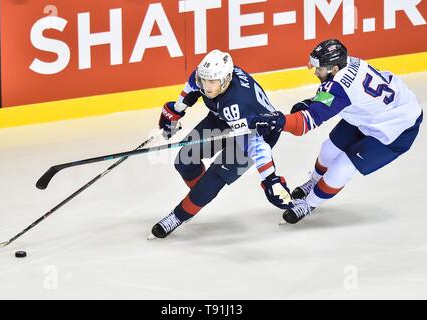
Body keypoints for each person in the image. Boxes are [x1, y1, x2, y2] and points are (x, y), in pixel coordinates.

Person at [251, 39, 423, 224]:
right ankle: (314, 182)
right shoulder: (348, 63)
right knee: (329, 149)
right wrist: (312, 102)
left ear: (334, 68)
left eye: (320, 69)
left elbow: (303, 125)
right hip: (370, 114)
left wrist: (278, 122)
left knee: (342, 167)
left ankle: (308, 204)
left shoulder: (340, 86)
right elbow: (339, 96)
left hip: (396, 128)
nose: (316, 72)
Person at [150, 49, 292, 239]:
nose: (207, 86)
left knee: (213, 179)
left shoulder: (237, 103)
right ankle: (199, 196)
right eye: (204, 80)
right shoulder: (206, 75)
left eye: (212, 82)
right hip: (223, 120)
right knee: (184, 160)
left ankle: (178, 216)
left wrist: (270, 178)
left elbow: (255, 144)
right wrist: (175, 112)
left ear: (226, 79)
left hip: (254, 134)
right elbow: (191, 89)